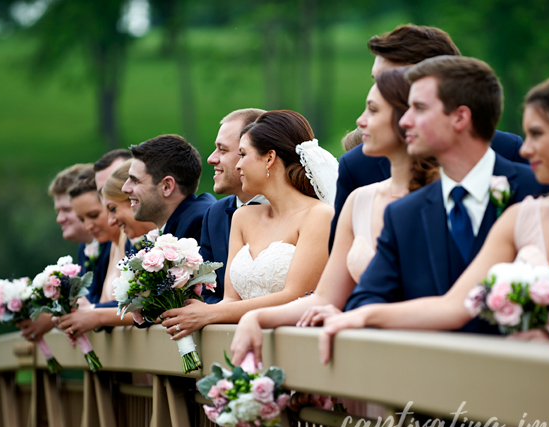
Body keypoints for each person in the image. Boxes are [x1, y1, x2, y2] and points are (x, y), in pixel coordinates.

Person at [319, 70, 549, 363]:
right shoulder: (519, 217)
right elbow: (454, 306)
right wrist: (361, 316)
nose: (524, 149)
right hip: (520, 408)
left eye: (537, 134)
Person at [321, 56, 549, 339]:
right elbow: (364, 301)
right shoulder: (403, 213)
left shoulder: (538, 192)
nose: (404, 121)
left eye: (419, 108)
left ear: (460, 117)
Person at [229, 68, 439, 365]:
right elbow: (323, 298)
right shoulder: (358, 201)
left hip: (425, 357)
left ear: (407, 119)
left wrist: (359, 314)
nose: (360, 120)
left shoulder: (442, 198)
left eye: (373, 110)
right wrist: (256, 318)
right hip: (368, 359)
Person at [330, 24, 527, 249]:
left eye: (391, 82)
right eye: (376, 80)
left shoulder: (508, 151)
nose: (377, 92)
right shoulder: (357, 167)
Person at [160, 110, 336, 340]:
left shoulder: (319, 216)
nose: (238, 165)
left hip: (294, 342)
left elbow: (295, 295)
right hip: (243, 339)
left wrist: (210, 313)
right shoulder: (243, 218)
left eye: (243, 154)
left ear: (269, 158)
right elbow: (231, 299)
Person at [53, 168, 134, 337]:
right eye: (82, 219)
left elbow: (147, 307)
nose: (87, 226)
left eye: (94, 215)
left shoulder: (131, 242)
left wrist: (92, 311)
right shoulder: (112, 244)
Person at [17, 163, 94, 343]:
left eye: (67, 210)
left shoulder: (116, 243)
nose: (59, 219)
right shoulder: (84, 247)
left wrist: (52, 318)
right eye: (58, 211)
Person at [200, 108, 267, 304]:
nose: (211, 159)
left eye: (223, 150)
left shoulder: (300, 212)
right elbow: (207, 292)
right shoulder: (215, 215)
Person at [122, 134, 215, 242]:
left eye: (136, 181)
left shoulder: (201, 227)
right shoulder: (182, 225)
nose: (125, 188)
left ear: (167, 186)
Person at [102, 160, 157, 248]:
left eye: (113, 209)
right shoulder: (130, 247)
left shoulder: (183, 231)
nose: (110, 222)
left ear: (133, 198)